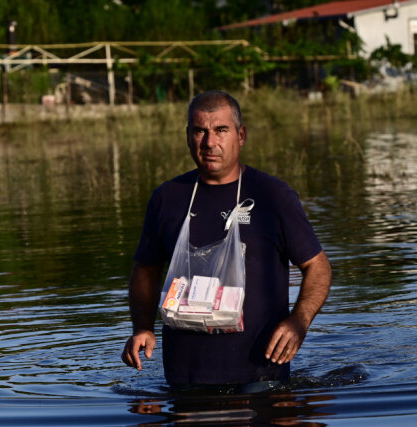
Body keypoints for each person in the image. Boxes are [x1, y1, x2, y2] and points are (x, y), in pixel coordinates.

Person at [121, 90, 331, 388]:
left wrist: (299, 321)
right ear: (188, 136)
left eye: (221, 130)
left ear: (241, 135)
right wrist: (142, 328)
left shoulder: (272, 196)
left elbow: (318, 267)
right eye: (199, 131)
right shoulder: (167, 198)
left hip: (260, 377)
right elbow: (146, 270)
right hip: (184, 379)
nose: (209, 142)